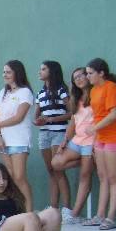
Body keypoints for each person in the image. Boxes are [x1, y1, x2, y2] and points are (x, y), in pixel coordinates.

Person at [82, 58, 116, 230]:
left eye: (90, 73)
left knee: (114, 178)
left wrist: (94, 129)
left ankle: (110, 218)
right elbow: (98, 116)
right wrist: (96, 137)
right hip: (101, 138)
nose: (87, 77)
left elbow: (114, 114)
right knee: (102, 177)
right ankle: (100, 215)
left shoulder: (112, 88)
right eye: (86, 73)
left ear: (101, 73)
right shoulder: (94, 90)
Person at [51, 68, 94, 223]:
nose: (79, 79)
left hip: (92, 141)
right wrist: (65, 140)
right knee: (56, 162)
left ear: (88, 76)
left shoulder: (96, 94)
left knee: (85, 175)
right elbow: (74, 122)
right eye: (75, 78)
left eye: (81, 75)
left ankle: (74, 214)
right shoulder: (76, 97)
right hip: (78, 140)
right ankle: (87, 162)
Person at [0, 60, 34, 212]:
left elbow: (19, 117)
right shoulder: (3, 93)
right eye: (4, 72)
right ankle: (16, 210)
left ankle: (28, 212)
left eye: (8, 72)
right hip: (4, 141)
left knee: (19, 177)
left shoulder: (25, 92)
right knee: (10, 178)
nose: (5, 75)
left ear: (17, 73)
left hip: (19, 140)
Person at [34, 61, 72, 215]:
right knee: (50, 169)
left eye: (43, 69)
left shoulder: (62, 90)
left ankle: (67, 209)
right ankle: (54, 206)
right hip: (44, 134)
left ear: (52, 71)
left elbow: (72, 113)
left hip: (59, 132)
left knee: (58, 169)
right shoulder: (40, 93)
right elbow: (35, 116)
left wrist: (51, 120)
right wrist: (37, 121)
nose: (40, 72)